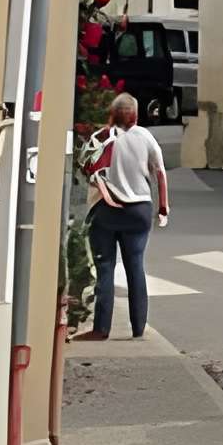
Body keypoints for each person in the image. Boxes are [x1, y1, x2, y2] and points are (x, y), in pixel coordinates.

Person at [80, 93, 169, 340]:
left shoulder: (102, 138)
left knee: (105, 268)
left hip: (107, 211)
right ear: (136, 115)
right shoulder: (146, 137)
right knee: (135, 267)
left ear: (112, 113)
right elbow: (160, 173)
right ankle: (138, 328)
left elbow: (86, 167)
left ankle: (101, 329)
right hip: (139, 211)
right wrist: (163, 207)